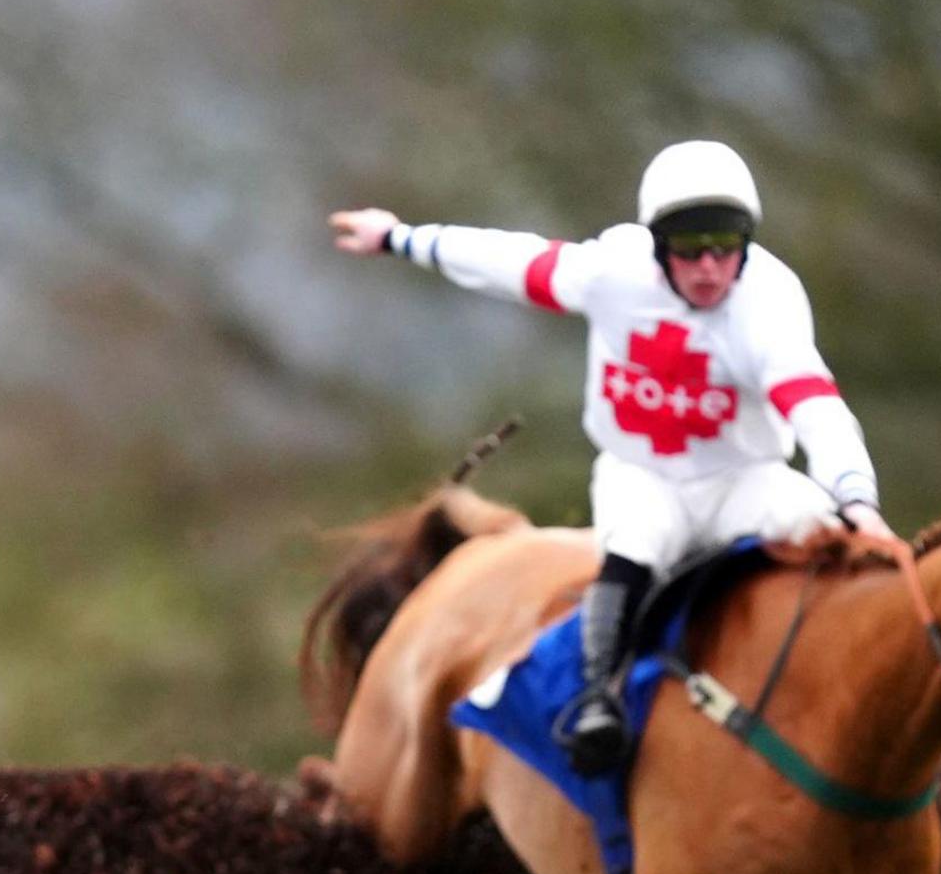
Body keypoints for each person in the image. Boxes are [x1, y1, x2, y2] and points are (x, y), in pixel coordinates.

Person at [330, 140, 893, 775]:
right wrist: (400, 237)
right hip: (643, 471)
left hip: (744, 477)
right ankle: (598, 699)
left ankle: (868, 695)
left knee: (833, 536)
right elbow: (507, 262)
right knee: (639, 542)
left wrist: (856, 499)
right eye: (688, 247)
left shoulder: (769, 302)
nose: (709, 267)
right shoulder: (612, 274)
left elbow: (815, 407)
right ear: (657, 245)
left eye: (725, 245)